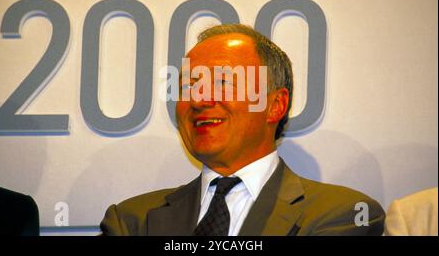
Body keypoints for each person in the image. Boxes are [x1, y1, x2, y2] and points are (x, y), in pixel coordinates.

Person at [100, 24, 385, 236]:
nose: (199, 100)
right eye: (189, 86)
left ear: (275, 105)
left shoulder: (345, 214)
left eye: (223, 82)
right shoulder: (130, 221)